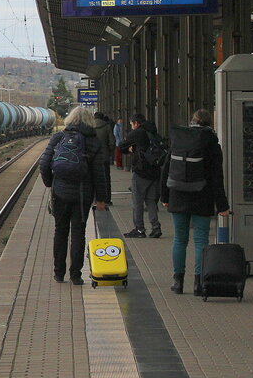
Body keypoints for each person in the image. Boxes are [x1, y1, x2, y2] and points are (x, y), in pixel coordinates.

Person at [160, 109, 231, 295]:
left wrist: (164, 197)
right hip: (202, 196)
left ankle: (178, 282)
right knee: (201, 240)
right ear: (210, 124)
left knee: (179, 239)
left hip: (177, 193)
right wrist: (222, 205)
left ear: (192, 121)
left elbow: (166, 169)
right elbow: (217, 177)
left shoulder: (179, 139)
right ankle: (199, 283)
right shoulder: (212, 143)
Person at [39, 106, 111, 285]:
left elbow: (44, 164)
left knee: (60, 231)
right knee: (78, 232)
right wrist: (101, 199)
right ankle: (76, 275)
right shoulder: (93, 141)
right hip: (82, 194)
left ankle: (58, 273)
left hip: (60, 193)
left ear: (70, 119)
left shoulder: (59, 137)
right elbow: (99, 173)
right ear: (89, 121)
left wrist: (51, 183)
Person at [118, 113, 162, 238]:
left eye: (132, 124)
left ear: (136, 123)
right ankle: (156, 227)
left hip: (141, 171)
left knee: (137, 201)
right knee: (151, 201)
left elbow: (121, 146)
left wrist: (130, 149)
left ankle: (139, 229)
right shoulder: (153, 131)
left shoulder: (137, 132)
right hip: (154, 171)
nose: (131, 126)